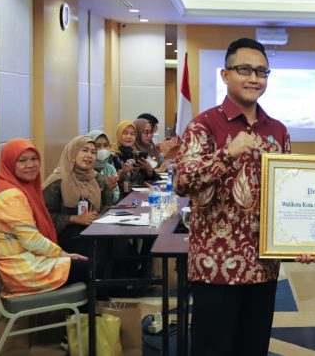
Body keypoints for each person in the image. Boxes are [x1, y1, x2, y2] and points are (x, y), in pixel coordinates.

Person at [175, 38, 291, 356]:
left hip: (263, 267)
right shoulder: (203, 125)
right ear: (225, 75)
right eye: (245, 70)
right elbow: (183, 182)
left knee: (253, 349)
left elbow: (285, 195)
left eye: (261, 72)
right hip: (215, 268)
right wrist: (228, 153)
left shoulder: (277, 131)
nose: (254, 78)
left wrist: (300, 241)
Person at [0, 138, 87, 297]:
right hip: (23, 271)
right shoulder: (11, 197)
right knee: (89, 267)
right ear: (9, 164)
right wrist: (63, 254)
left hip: (26, 261)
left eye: (34, 159)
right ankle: (88, 313)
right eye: (22, 161)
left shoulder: (15, 188)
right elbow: (32, 241)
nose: (31, 165)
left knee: (86, 257)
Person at [42, 136, 115, 255]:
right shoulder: (56, 182)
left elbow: (108, 206)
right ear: (72, 153)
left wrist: (99, 216)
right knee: (100, 251)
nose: (89, 155)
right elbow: (45, 217)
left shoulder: (99, 179)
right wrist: (75, 219)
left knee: (122, 247)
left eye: (93, 152)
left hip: (96, 231)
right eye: (84, 150)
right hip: (66, 239)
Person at [109, 120, 156, 194]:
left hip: (136, 196)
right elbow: (108, 183)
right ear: (119, 134)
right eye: (125, 133)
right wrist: (122, 172)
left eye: (132, 134)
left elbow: (143, 179)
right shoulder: (112, 156)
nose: (129, 137)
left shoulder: (136, 155)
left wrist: (149, 170)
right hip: (118, 197)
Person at [87, 129, 120, 205]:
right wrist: (104, 188)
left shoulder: (110, 168)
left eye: (106, 145)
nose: (103, 149)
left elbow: (115, 198)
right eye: (98, 146)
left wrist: (109, 190)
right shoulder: (85, 168)